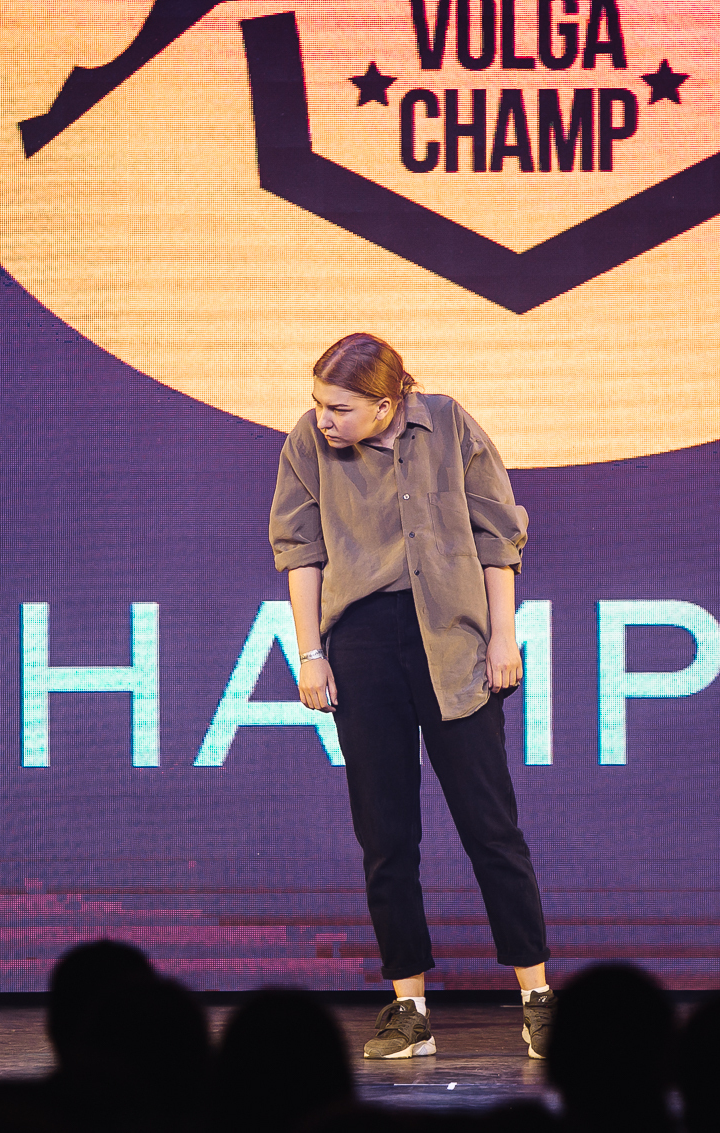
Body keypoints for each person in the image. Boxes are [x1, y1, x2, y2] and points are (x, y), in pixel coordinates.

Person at [269, 332, 552, 1060]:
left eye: (339, 408)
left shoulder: (449, 424)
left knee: (491, 826)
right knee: (386, 834)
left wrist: (503, 637)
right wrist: (311, 652)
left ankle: (537, 997)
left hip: (453, 639)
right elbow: (300, 550)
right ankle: (408, 1007)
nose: (324, 419)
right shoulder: (307, 443)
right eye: (318, 404)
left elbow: (497, 536)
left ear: (387, 403)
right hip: (363, 643)